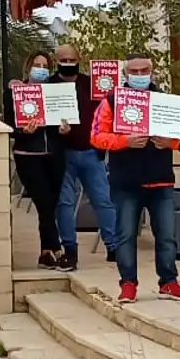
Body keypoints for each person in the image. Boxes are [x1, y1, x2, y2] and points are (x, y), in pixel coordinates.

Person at [90, 52, 180, 305]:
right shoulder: (111, 101)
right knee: (125, 235)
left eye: (143, 70)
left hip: (161, 180)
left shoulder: (166, 101)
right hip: (126, 181)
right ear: (125, 74)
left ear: (152, 71)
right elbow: (95, 136)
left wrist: (171, 142)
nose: (139, 76)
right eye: (133, 72)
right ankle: (127, 284)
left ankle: (169, 281)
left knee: (167, 235)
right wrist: (125, 141)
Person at [51, 44, 121, 270]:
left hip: (93, 153)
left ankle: (113, 247)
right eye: (64, 59)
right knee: (65, 204)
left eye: (72, 59)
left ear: (78, 59)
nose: (68, 62)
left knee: (104, 201)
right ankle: (70, 251)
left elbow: (111, 106)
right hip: (62, 155)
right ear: (56, 60)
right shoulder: (48, 86)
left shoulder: (93, 84)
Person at [5, 51, 72, 270]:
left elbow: (65, 122)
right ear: (28, 67)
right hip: (28, 156)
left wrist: (65, 129)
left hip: (54, 155)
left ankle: (46, 253)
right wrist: (23, 130)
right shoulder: (15, 92)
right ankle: (57, 248)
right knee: (43, 202)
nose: (41, 69)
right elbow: (8, 126)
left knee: (50, 205)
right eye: (37, 65)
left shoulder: (56, 93)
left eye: (45, 65)